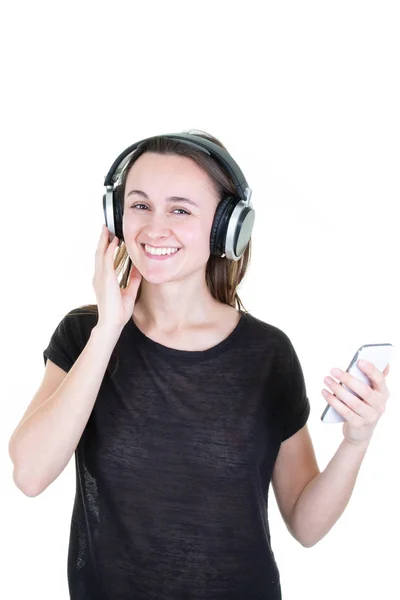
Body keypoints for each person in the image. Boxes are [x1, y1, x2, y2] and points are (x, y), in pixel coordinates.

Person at [10, 130, 389, 600]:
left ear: (226, 228)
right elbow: (29, 474)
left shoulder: (268, 355)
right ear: (116, 214)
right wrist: (108, 329)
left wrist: (356, 442)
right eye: (140, 205)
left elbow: (306, 524)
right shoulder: (83, 336)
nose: (154, 228)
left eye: (181, 210)